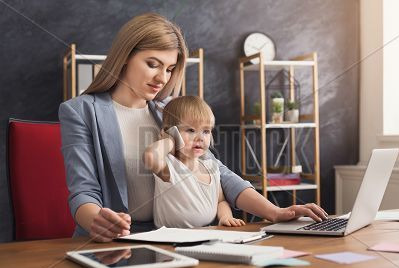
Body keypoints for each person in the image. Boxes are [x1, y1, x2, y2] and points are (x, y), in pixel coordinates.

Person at [59, 12, 328, 242]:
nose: (161, 78)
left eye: (169, 69)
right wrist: (96, 220)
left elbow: (220, 174)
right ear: (125, 57)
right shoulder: (81, 111)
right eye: (152, 64)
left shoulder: (169, 110)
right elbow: (84, 191)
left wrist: (275, 212)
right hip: (115, 242)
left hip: (174, 237)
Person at [144, 95, 245, 228]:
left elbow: (220, 200)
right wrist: (170, 140)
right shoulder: (171, 167)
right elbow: (150, 156)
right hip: (171, 238)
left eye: (206, 131)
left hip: (205, 233)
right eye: (191, 130)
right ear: (172, 132)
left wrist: (225, 217)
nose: (200, 138)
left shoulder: (211, 167)